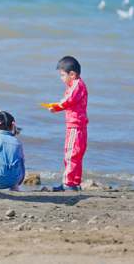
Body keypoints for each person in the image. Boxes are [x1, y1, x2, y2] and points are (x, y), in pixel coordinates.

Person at [46, 55, 89, 192]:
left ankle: (68, 184)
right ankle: (75, 183)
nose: (61, 78)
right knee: (76, 154)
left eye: (62, 75)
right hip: (78, 125)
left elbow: (69, 100)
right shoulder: (76, 85)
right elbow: (69, 102)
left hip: (75, 126)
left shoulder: (76, 84)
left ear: (72, 73)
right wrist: (56, 107)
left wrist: (59, 103)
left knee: (70, 154)